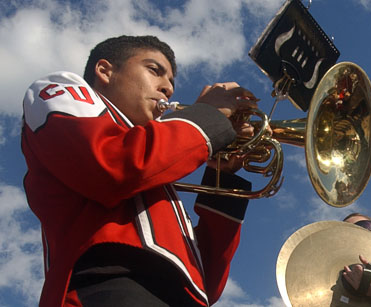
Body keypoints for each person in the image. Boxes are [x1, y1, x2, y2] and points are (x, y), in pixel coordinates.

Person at [21, 35, 260, 306]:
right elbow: (113, 167)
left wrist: (223, 177)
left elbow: (206, 284)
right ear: (105, 71)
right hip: (107, 288)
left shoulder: (159, 169)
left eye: (171, 82)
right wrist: (205, 117)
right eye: (154, 70)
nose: (167, 88)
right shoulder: (59, 87)